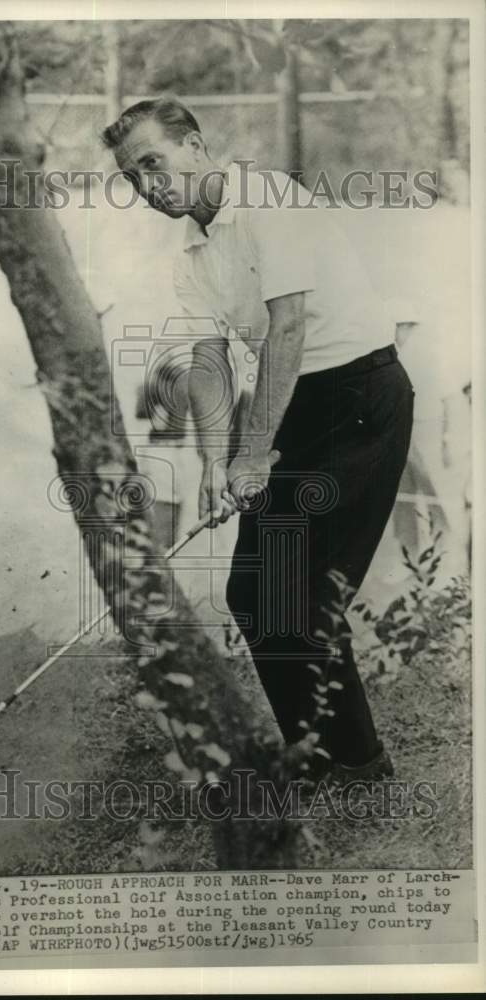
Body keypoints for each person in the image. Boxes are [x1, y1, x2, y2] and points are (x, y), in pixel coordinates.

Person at [101, 97, 414, 782]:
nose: (147, 186)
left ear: (195, 146)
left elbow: (290, 330)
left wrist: (252, 451)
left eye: (154, 163)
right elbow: (211, 360)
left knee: (301, 596)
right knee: (254, 593)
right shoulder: (190, 253)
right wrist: (218, 459)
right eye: (132, 177)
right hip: (294, 408)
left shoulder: (271, 200)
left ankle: (359, 764)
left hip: (361, 398)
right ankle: (316, 753)